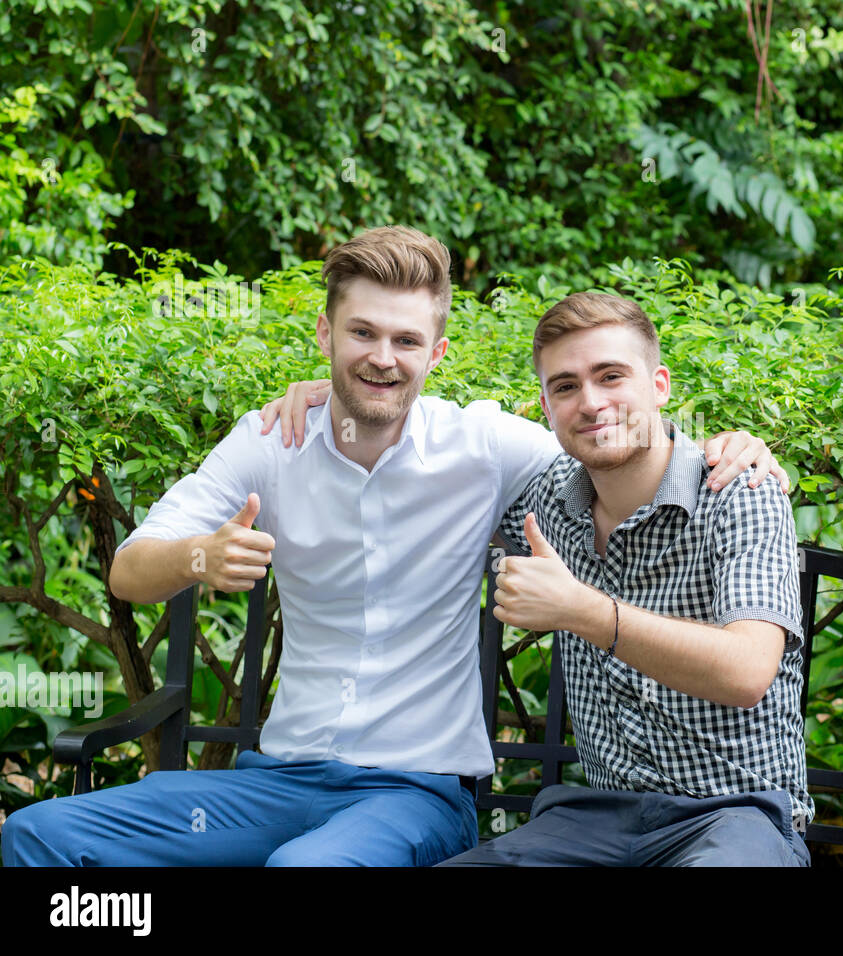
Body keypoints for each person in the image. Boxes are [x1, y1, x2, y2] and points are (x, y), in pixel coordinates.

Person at [1, 226, 782, 867]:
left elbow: (618, 447)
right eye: (362, 334)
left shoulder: (484, 448)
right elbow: (129, 571)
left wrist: (733, 448)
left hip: (415, 793)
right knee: (40, 836)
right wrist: (199, 559)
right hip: (276, 782)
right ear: (325, 335)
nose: (382, 357)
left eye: (406, 339)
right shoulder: (272, 441)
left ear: (436, 354)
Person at [438, 291, 811, 866]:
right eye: (565, 386)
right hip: (597, 819)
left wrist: (581, 610)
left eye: (611, 376)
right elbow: (404, 441)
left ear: (658, 385)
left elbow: (747, 671)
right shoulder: (545, 504)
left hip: (737, 816)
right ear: (545, 405)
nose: (591, 402)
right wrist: (324, 394)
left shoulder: (737, 491)